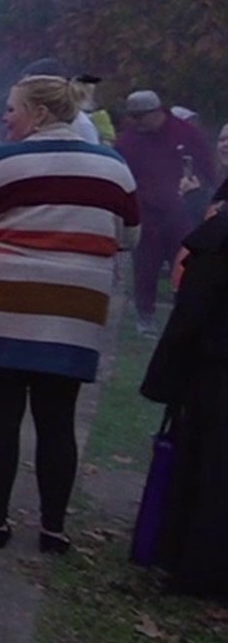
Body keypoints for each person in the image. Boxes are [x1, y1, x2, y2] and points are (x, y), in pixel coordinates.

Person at [0, 76, 140, 554]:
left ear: (38, 113)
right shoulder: (114, 166)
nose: (5, 117)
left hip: (4, 303)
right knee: (57, 419)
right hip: (75, 307)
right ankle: (53, 528)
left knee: (0, 413)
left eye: (13, 109)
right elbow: (130, 235)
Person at [139, 181, 228, 600]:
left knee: (211, 469)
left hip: (216, 373)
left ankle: (197, 567)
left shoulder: (218, 236)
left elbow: (194, 308)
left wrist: (169, 376)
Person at [115, 89, 218, 334]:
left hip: (181, 216)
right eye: (133, 117)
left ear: (157, 112)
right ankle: (145, 316)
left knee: (185, 268)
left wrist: (199, 192)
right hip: (147, 217)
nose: (136, 123)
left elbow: (207, 170)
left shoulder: (186, 133)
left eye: (141, 117)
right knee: (145, 268)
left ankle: (186, 317)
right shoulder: (129, 141)